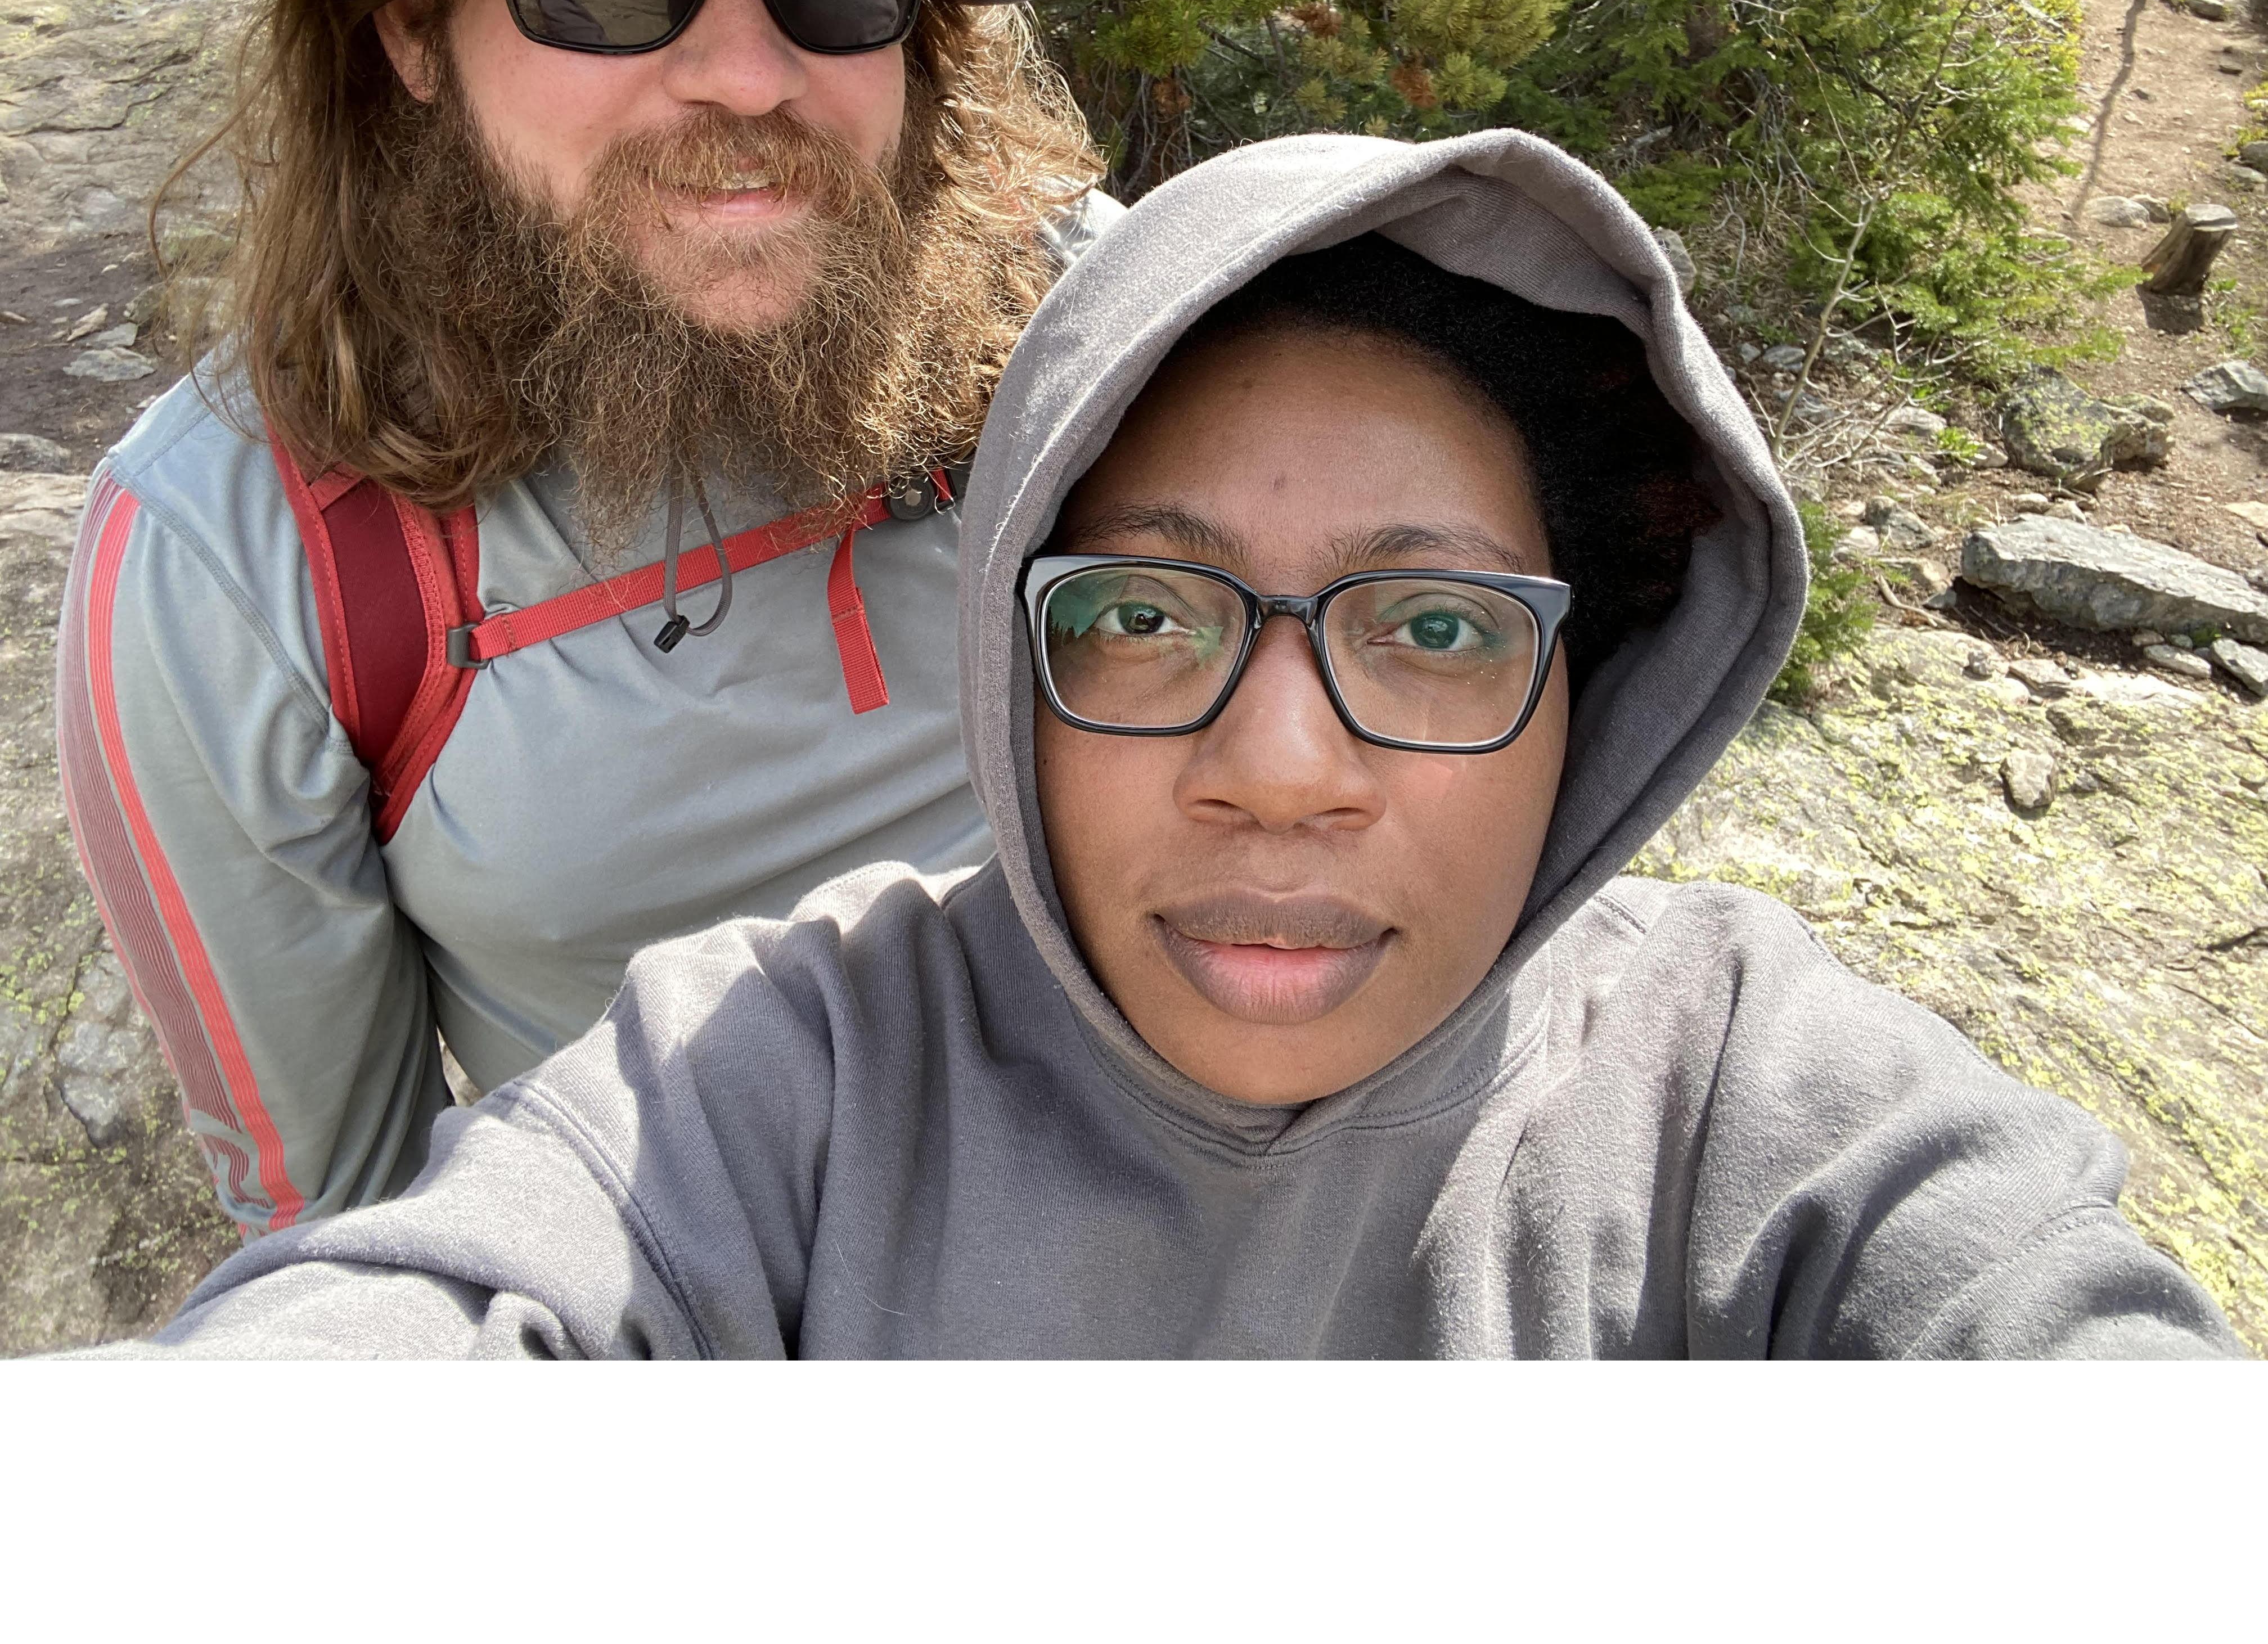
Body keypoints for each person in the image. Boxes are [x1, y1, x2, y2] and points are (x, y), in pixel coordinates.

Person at [100, 128, 2242, 1357]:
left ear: (1598, 676)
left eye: (1433, 626)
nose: (1284, 768)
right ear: (1014, 657)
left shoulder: (1741, 1109)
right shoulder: (773, 1084)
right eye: (1141, 613)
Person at [53, 0, 1117, 1235]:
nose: (750, 74)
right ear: (410, 19)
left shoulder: (1087, 324)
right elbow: (346, 1231)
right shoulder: (247, 558)